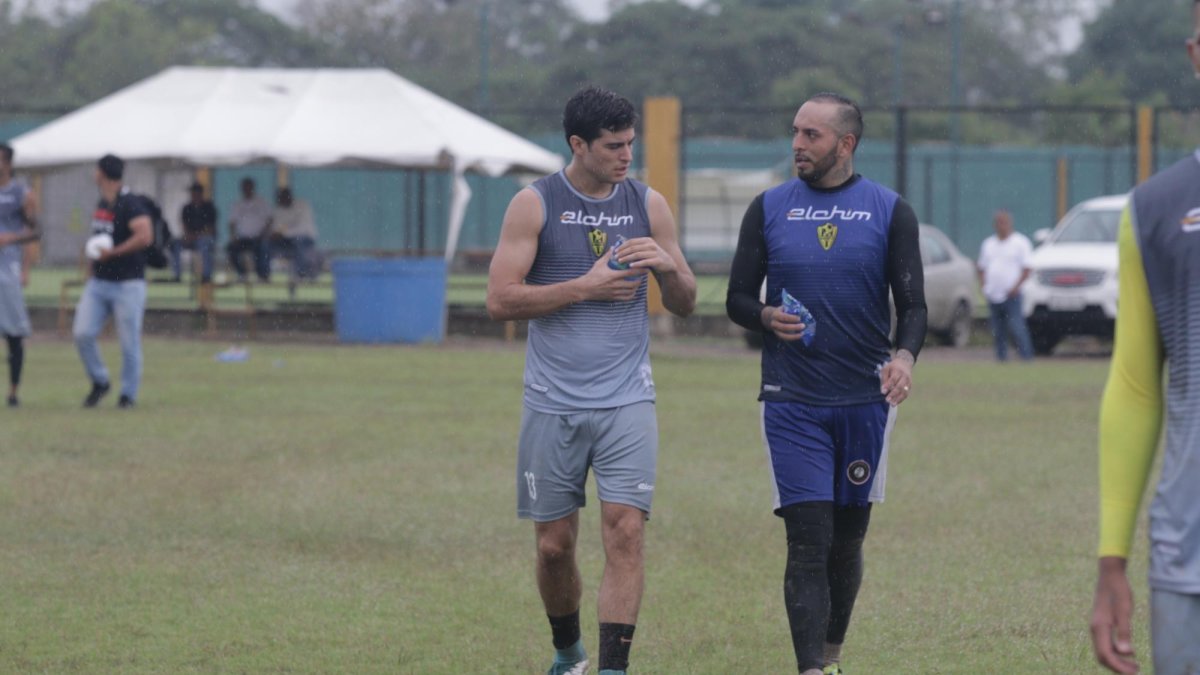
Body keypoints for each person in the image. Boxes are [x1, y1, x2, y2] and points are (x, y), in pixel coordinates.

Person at [486, 86, 696, 675]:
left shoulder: (649, 205)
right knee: (554, 548)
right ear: (577, 144)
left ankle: (612, 669)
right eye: (612, 146)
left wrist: (668, 270)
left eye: (630, 143)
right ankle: (567, 652)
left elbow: (684, 302)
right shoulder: (534, 203)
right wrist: (585, 285)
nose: (626, 155)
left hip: (629, 397)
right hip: (552, 402)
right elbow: (500, 301)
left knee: (625, 531)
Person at [725, 92, 926, 675]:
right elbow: (737, 297)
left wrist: (905, 358)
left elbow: (913, 305)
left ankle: (833, 655)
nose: (797, 144)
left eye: (811, 135)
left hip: (866, 400)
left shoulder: (890, 210)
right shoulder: (768, 207)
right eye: (795, 132)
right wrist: (764, 315)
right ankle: (811, 668)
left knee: (846, 541)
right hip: (792, 401)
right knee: (807, 541)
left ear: (846, 143)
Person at [1090, 3, 1200, 671]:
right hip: (1188, 557)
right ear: (1196, 55)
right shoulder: (1156, 208)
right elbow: (1134, 387)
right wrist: (1111, 558)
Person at [74, 154, 152, 409]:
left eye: (96, 170)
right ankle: (100, 380)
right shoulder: (103, 203)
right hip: (100, 282)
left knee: (129, 341)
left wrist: (114, 253)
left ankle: (128, 395)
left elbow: (145, 235)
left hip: (128, 283)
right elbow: (98, 237)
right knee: (82, 333)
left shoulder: (130, 203)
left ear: (102, 174)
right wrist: (93, 265)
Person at [0, 143, 39, 408]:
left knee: (13, 333)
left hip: (7, 268)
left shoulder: (23, 194)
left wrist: (26, 268)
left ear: (8, 163)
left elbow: (35, 232)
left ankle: (13, 392)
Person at [976, 208, 1034, 361]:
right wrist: (984, 286)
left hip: (1012, 294)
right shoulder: (988, 244)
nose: (1001, 226)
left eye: (1004, 222)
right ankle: (1001, 359)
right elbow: (981, 268)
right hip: (993, 294)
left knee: (1017, 327)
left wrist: (1016, 287)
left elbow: (1027, 269)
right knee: (997, 330)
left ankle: (1026, 357)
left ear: (1010, 223)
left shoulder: (1020, 243)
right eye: (998, 223)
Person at [225, 177, 272, 282]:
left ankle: (263, 276)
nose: (247, 189)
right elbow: (232, 223)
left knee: (263, 247)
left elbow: (269, 220)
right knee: (230, 249)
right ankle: (242, 274)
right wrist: (233, 237)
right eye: (244, 187)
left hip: (258, 237)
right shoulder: (237, 204)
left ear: (253, 188)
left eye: (249, 187)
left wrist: (264, 234)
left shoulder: (261, 202)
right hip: (242, 238)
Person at [170, 181, 217, 283]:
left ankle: (206, 275)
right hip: (191, 237)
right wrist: (188, 236)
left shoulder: (209, 207)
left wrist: (197, 235)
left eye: (196, 192)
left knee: (204, 244)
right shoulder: (187, 208)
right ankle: (176, 275)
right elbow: (184, 225)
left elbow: (210, 228)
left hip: (205, 237)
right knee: (175, 244)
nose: (194, 195)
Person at [269, 187, 319, 280]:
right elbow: (276, 229)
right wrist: (278, 234)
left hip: (306, 240)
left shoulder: (302, 205)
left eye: (283, 197)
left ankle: (303, 273)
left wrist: (284, 232)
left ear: (289, 196)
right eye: (280, 198)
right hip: (287, 243)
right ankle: (265, 274)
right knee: (266, 245)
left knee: (298, 242)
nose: (281, 201)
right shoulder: (278, 210)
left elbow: (303, 229)